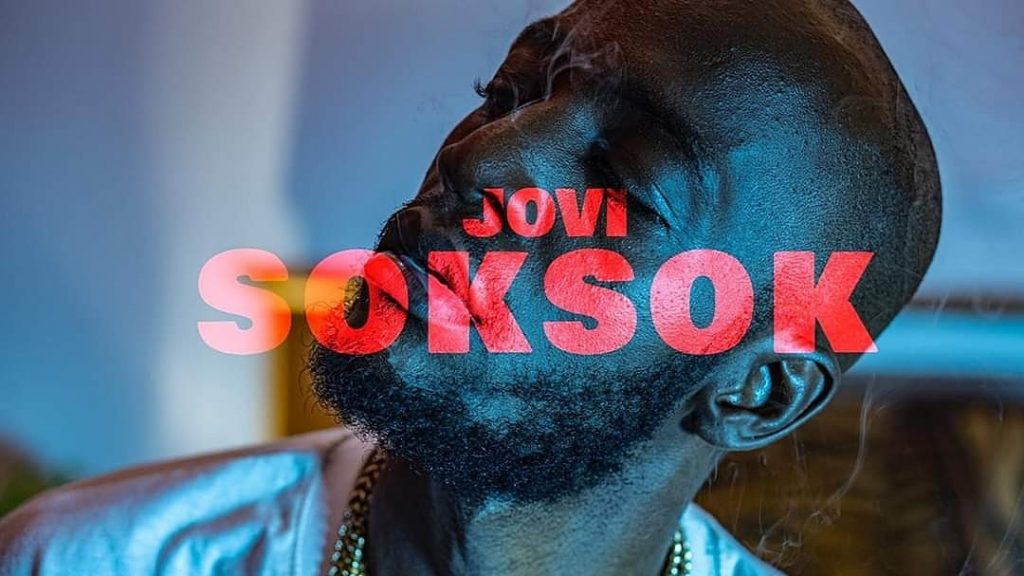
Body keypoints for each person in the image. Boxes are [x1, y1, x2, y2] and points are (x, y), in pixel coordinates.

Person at [0, 0, 941, 574]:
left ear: (755, 391)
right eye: (508, 94)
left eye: (624, 184)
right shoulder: (89, 561)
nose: (482, 158)